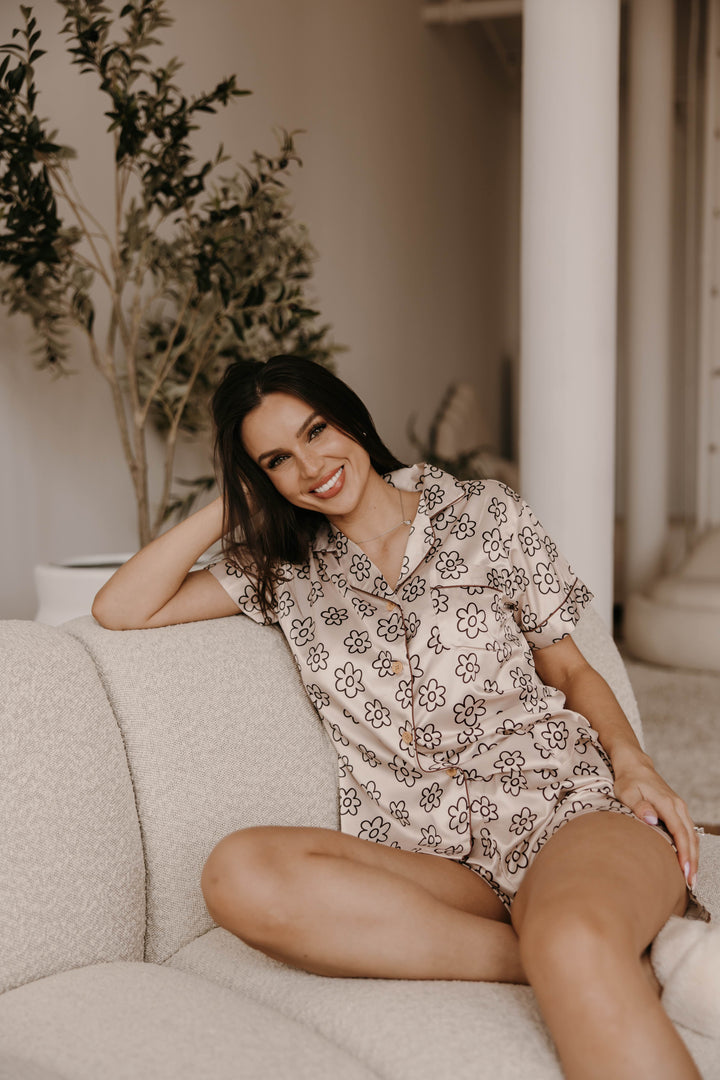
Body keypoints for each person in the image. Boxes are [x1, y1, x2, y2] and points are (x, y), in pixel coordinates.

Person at [93, 356, 715, 1080]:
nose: (311, 466)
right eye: (277, 460)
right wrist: (234, 502)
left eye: (316, 431)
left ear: (350, 418)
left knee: (573, 937)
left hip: (562, 809)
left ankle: (571, 947)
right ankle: (560, 953)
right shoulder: (282, 569)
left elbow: (571, 668)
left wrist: (633, 763)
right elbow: (120, 608)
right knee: (238, 872)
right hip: (434, 860)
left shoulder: (486, 514)